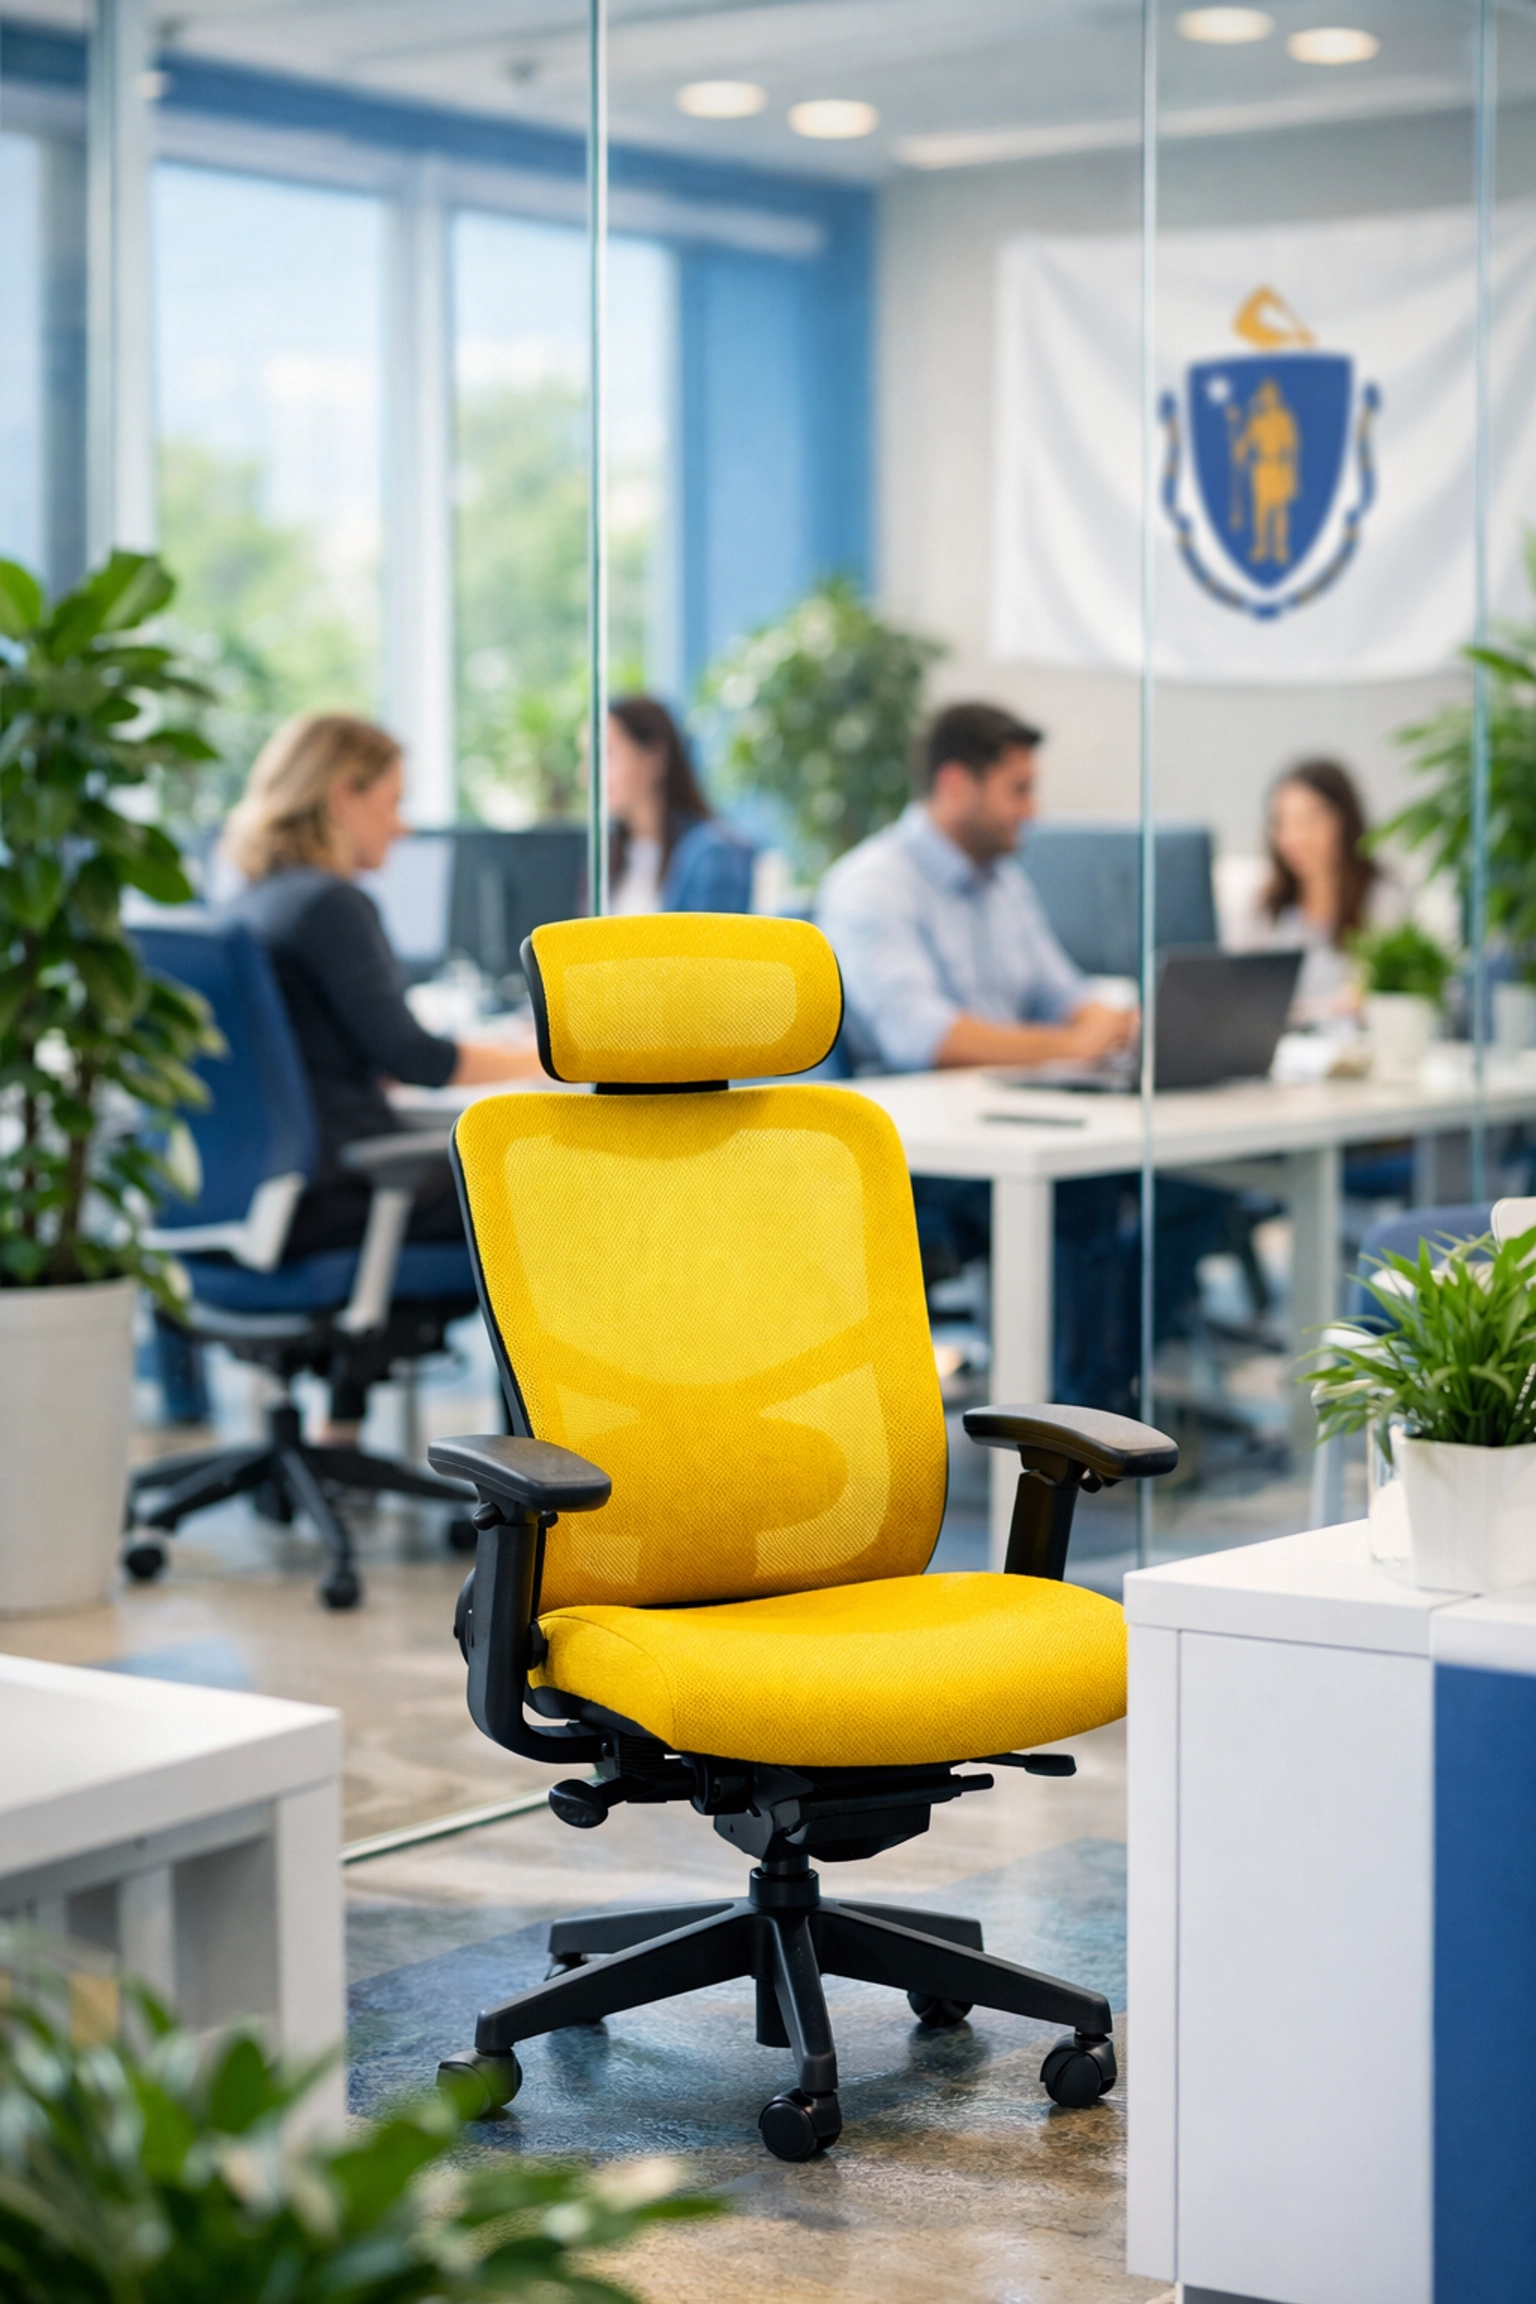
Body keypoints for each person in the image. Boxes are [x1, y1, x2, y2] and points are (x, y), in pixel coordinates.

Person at [818, 702, 1197, 1414]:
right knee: (1082, 1192)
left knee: (1191, 1178)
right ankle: (1078, 1417)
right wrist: (1070, 1044)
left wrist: (1117, 1023)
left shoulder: (1003, 883)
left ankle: (1103, 1387)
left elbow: (1064, 993)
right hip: (920, 1152)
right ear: (958, 784)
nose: (1033, 809)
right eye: (1018, 789)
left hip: (1007, 1118)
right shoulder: (872, 884)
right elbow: (923, 1039)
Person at [223, 713, 541, 1264]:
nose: (403, 827)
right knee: (562, 1187)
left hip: (272, 1202)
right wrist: (547, 1058)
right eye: (394, 802)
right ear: (344, 796)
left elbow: (364, 1056)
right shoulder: (330, 905)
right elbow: (420, 1059)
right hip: (346, 1199)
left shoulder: (255, 902)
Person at [1221, 757, 1402, 1025]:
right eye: (1283, 823)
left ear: (1344, 821)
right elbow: (1235, 990)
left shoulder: (1381, 900)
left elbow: (1375, 998)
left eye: (1309, 821)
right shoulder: (1266, 906)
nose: (1295, 837)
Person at [606, 695, 753, 914]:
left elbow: (706, 947)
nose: (586, 775)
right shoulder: (610, 857)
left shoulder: (712, 854)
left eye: (608, 755)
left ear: (653, 758)